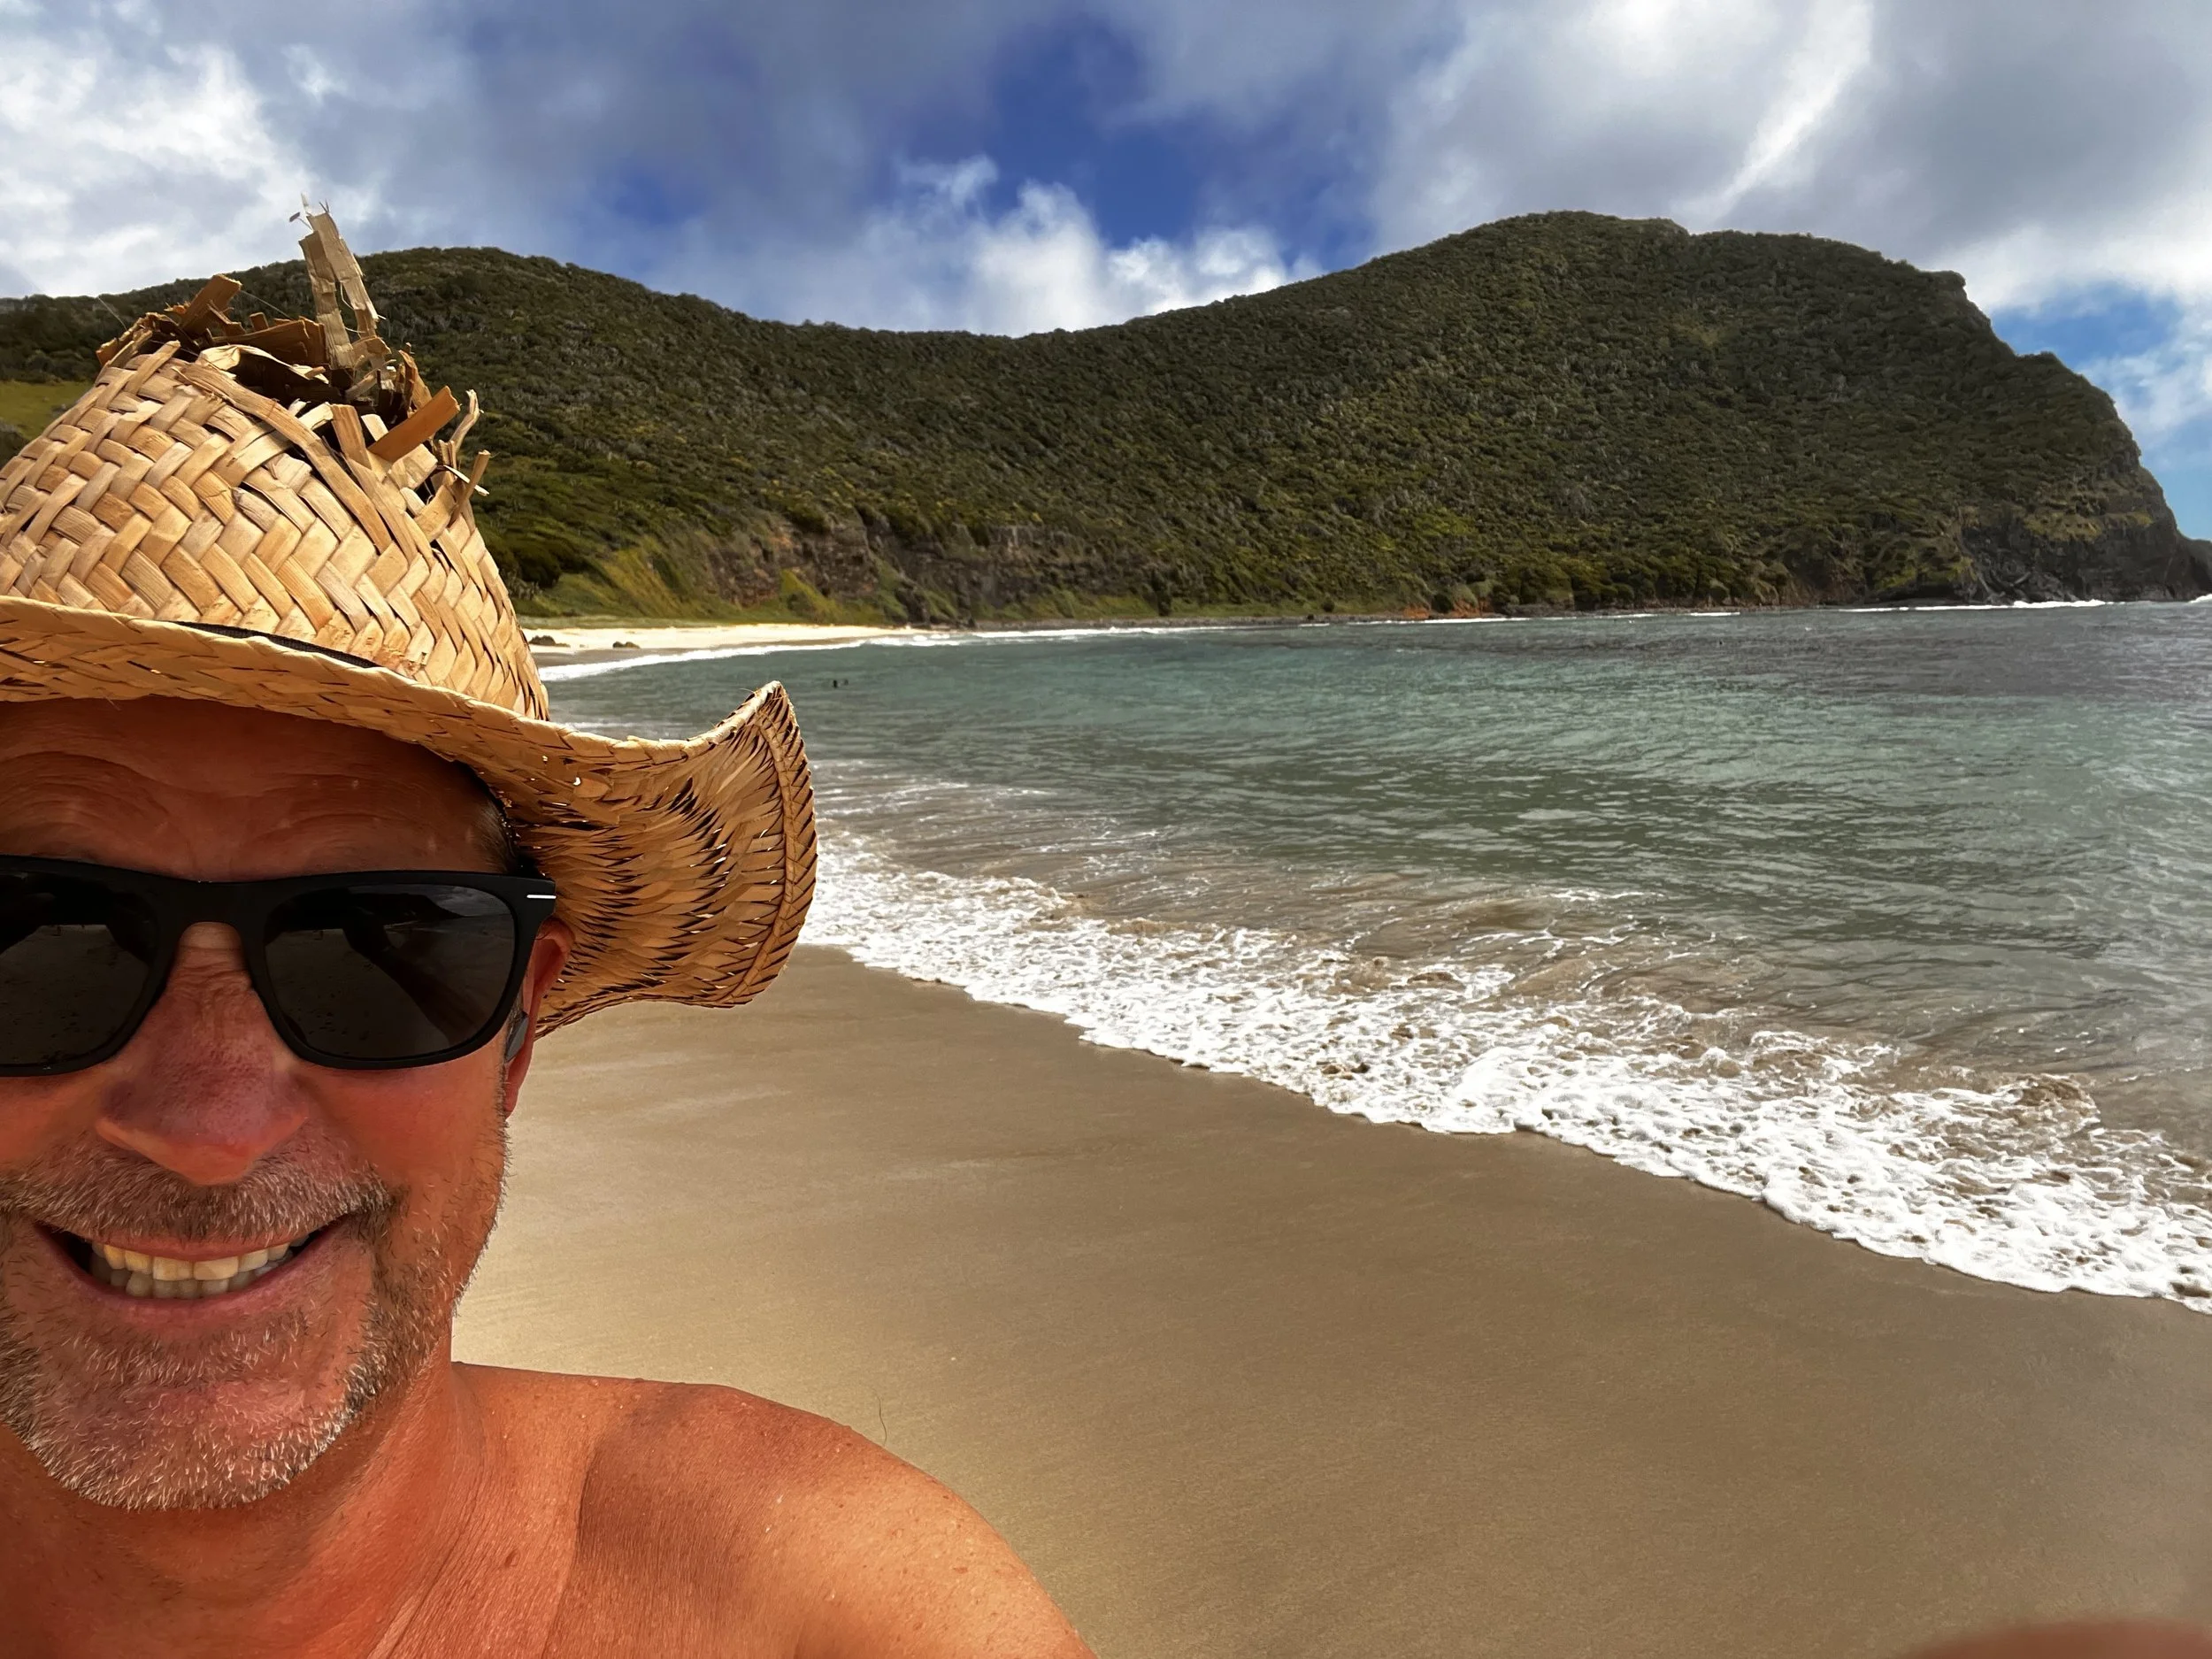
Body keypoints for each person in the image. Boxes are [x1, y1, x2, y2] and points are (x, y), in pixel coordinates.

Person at [0, 218, 1091, 1656]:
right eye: (49, 935)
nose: (209, 1123)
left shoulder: (826, 1611)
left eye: (378, 946)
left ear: (519, 1023)